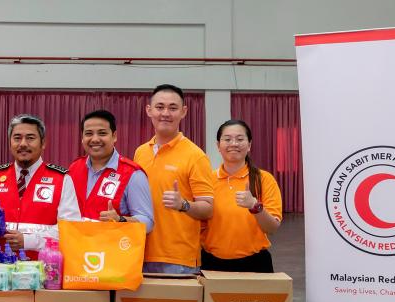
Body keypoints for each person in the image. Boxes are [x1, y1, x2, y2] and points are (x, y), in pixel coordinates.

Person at [132, 84, 215, 274]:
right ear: (149, 110)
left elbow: (208, 209)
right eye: (160, 107)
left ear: (183, 112)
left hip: (179, 260)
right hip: (140, 253)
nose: (165, 113)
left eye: (173, 108)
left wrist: (184, 205)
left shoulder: (196, 155)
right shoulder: (140, 152)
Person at [0, 114, 81, 257]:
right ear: (10, 142)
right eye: (17, 138)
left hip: (45, 269)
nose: (23, 144)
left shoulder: (61, 179)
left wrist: (28, 241)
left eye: (30, 138)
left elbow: (70, 229)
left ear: (43, 143)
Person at [201, 119, 282, 272]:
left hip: (255, 264)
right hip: (211, 263)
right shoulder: (207, 180)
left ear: (249, 145)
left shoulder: (263, 179)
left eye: (240, 139)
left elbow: (272, 227)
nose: (234, 143)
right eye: (227, 139)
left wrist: (255, 206)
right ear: (218, 146)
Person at [68, 109, 154, 231]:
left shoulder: (133, 174)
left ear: (114, 136)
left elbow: (148, 222)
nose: (95, 139)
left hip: (113, 248)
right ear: (82, 138)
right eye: (88, 134)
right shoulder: (74, 168)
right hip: (76, 246)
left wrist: (120, 220)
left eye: (102, 133)